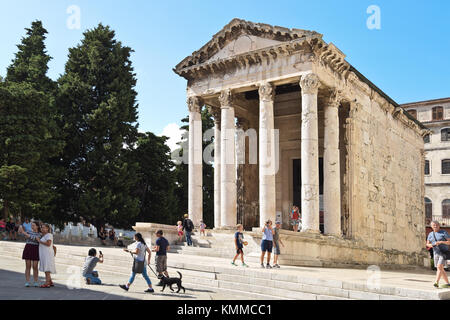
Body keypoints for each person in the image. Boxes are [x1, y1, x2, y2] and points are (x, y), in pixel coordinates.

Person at [426, 221, 450, 288]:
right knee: (440, 268)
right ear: (431, 226)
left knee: (439, 266)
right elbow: (427, 244)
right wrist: (433, 244)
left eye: (436, 225)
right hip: (436, 253)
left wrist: (442, 242)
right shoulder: (430, 234)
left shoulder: (444, 232)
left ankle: (436, 282)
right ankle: (448, 283)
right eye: (434, 225)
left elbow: (449, 242)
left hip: (443, 252)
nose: (435, 226)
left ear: (439, 226)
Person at [20, 221, 40, 287]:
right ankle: (27, 281)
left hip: (35, 249)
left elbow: (36, 239)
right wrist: (20, 229)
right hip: (28, 248)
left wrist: (26, 234)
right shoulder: (28, 231)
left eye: (33, 225)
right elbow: (21, 234)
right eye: (31, 225)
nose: (32, 226)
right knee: (28, 266)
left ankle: (36, 281)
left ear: (37, 226)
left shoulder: (40, 233)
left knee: (35, 266)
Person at [37, 223, 56, 288]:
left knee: (47, 269)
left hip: (47, 254)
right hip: (44, 254)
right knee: (46, 267)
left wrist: (40, 241)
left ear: (47, 229)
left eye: (44, 227)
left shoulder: (49, 235)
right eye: (42, 227)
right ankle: (50, 281)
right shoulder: (44, 235)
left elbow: (48, 244)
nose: (42, 229)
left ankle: (47, 283)